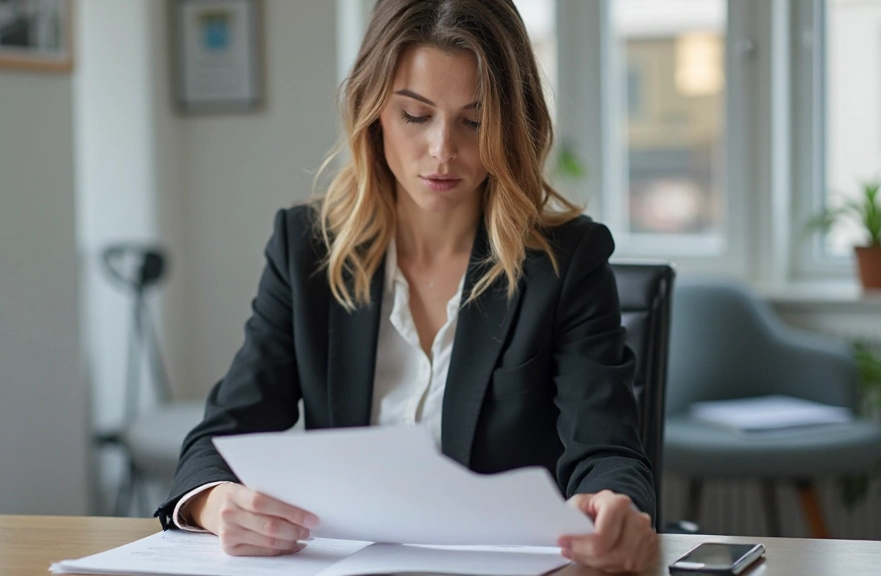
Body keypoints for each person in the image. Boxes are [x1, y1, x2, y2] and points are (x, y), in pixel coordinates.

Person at [155, 0, 658, 572]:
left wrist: (613, 509)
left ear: (512, 124)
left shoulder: (565, 262)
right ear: (372, 114)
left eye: (474, 120)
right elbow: (219, 437)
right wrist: (215, 502)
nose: (443, 150)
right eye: (416, 116)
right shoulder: (307, 250)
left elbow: (608, 453)